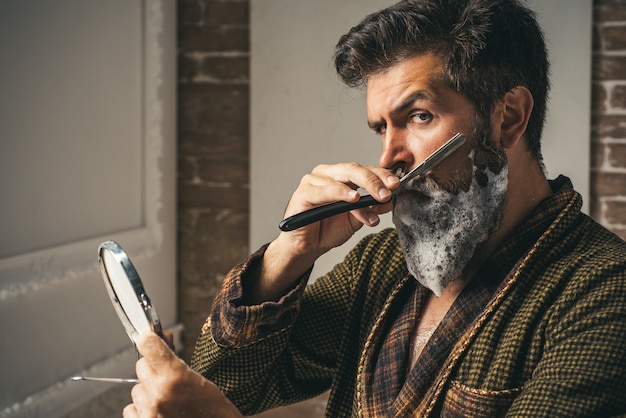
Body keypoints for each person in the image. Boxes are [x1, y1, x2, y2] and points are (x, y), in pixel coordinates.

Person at [125, 0, 626, 416]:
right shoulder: (381, 264)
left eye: (419, 116)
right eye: (381, 128)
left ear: (507, 117)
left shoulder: (605, 290)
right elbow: (223, 387)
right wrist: (289, 252)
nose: (389, 156)